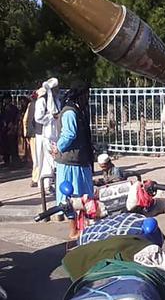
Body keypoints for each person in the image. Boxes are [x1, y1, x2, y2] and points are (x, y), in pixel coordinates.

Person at [53, 81, 94, 239]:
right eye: (86, 95)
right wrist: (59, 147)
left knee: (82, 196)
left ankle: (82, 227)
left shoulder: (76, 110)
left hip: (79, 161)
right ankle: (74, 230)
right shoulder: (70, 112)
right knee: (72, 197)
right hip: (71, 163)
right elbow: (69, 134)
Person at [35, 77, 61, 191]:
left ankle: (46, 185)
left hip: (57, 134)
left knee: (48, 162)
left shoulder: (57, 100)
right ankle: (50, 183)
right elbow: (38, 118)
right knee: (52, 160)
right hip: (48, 134)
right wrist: (51, 116)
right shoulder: (42, 101)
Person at [23, 92, 42, 187]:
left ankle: (36, 178)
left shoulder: (30, 105)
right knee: (38, 157)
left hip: (32, 134)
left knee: (35, 157)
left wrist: (26, 133)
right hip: (39, 134)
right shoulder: (41, 104)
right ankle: (36, 178)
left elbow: (25, 119)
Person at [0, 94, 20, 166]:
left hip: (11, 129)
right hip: (4, 129)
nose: (5, 101)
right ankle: (6, 160)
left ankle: (15, 160)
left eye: (7, 99)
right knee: (5, 145)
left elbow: (17, 117)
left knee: (13, 145)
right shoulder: (3, 108)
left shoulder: (14, 108)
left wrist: (14, 124)